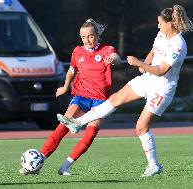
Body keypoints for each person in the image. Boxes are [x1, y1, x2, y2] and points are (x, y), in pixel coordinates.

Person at [58, 5, 193, 177]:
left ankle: (153, 165)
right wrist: (145, 65)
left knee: (141, 127)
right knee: (115, 98)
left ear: (169, 24)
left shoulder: (178, 45)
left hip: (162, 88)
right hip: (148, 79)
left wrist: (140, 64)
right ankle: (77, 123)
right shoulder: (162, 34)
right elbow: (153, 52)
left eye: (160, 23)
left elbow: (162, 70)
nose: (158, 26)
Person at [19, 18, 121, 175]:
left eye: (90, 36)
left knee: (89, 135)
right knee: (62, 128)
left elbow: (116, 58)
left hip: (100, 101)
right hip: (81, 96)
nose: (87, 40)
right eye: (83, 37)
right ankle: (38, 163)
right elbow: (72, 70)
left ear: (97, 35)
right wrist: (65, 87)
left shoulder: (106, 49)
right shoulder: (77, 51)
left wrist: (113, 59)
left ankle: (65, 166)